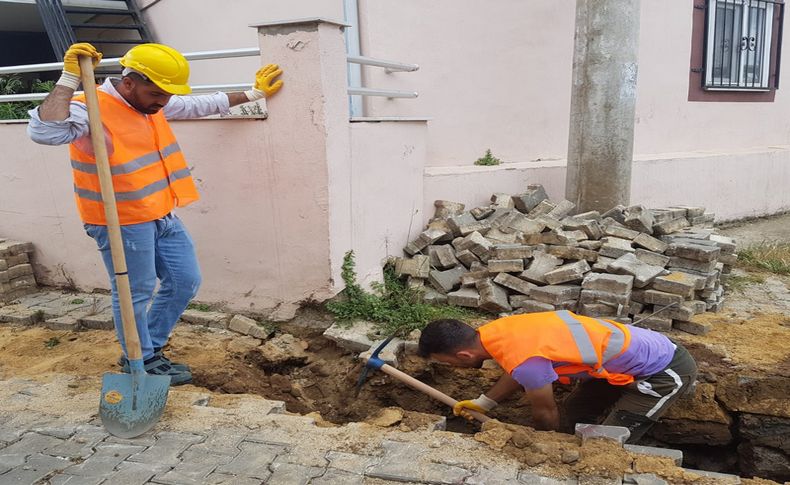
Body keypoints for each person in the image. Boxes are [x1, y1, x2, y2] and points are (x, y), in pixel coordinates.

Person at [28, 42, 284, 385]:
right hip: (120, 220)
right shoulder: (88, 106)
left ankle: (148, 349)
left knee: (184, 281)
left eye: (166, 95)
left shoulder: (151, 102)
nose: (163, 102)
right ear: (130, 82)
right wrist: (70, 77)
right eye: (157, 93)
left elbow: (198, 104)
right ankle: (141, 359)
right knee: (135, 290)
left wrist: (252, 93)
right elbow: (44, 132)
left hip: (161, 213)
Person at [417, 310, 698, 443]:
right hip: (619, 365)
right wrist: (484, 403)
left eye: (448, 362)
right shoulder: (498, 331)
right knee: (573, 412)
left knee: (607, 441)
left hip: (665, 371)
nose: (452, 368)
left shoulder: (525, 360)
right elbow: (521, 369)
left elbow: (545, 413)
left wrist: (542, 445)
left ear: (464, 355)